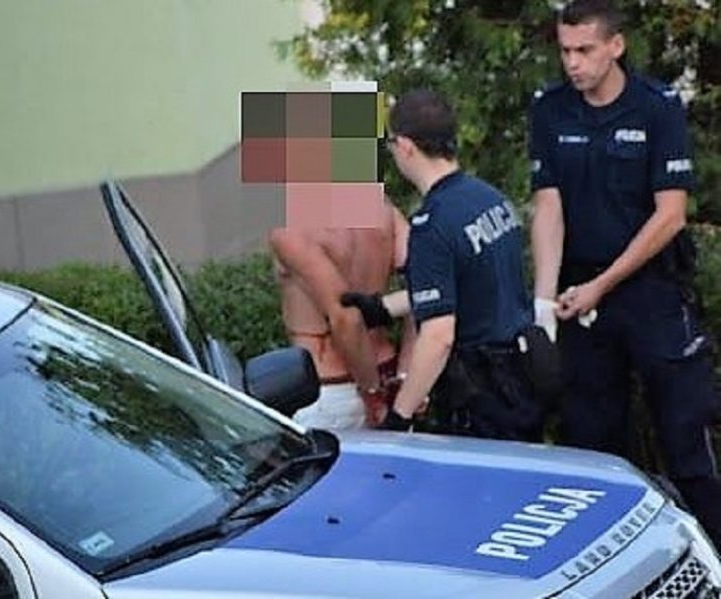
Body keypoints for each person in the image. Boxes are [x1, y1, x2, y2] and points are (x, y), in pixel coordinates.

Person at [529, 0, 721, 547]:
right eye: (565, 50)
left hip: (651, 292)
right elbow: (549, 206)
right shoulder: (550, 109)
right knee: (592, 448)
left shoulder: (656, 107)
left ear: (615, 46)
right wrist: (544, 304)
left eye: (584, 50)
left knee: (686, 438)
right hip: (581, 295)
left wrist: (602, 286)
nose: (573, 62)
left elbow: (671, 215)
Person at [345, 88, 547, 441]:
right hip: (521, 378)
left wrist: (400, 416)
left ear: (405, 146)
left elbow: (438, 337)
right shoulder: (487, 198)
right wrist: (383, 308)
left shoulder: (432, 225)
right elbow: (471, 282)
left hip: (482, 394)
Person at [269, 200, 413, 429]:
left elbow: (346, 318)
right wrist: (407, 374)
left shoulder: (293, 229)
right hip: (389, 375)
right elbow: (425, 290)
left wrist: (372, 393)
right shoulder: (382, 210)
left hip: (331, 392)